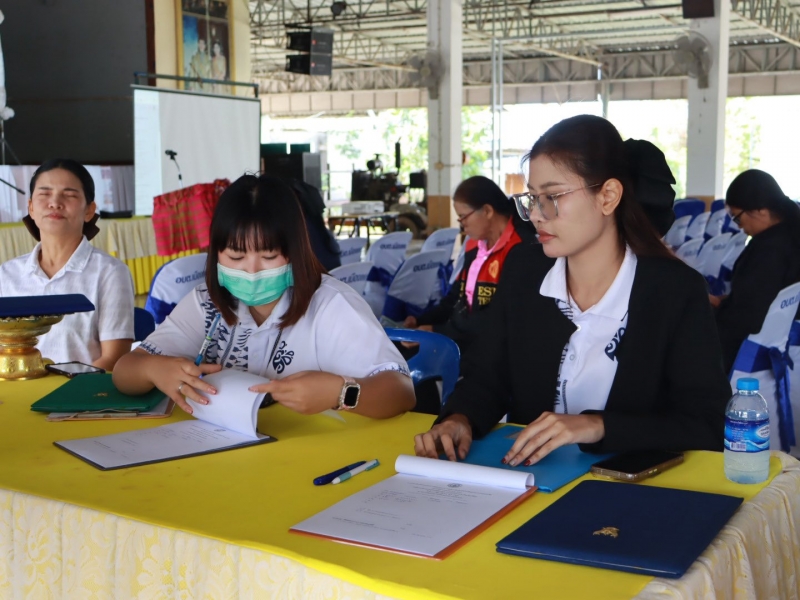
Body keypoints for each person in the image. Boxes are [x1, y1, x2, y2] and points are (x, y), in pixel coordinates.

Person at [414, 115, 729, 465]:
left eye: (552, 196)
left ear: (608, 196)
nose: (537, 215)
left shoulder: (674, 291)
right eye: (533, 198)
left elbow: (707, 423)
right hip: (532, 479)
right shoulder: (526, 271)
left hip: (633, 486)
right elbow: (487, 376)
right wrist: (460, 418)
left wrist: (597, 426)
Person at [113, 174, 415, 418]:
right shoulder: (206, 301)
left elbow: (401, 391)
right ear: (216, 253)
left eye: (269, 256)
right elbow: (124, 372)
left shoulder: (330, 304)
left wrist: (340, 392)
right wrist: (153, 369)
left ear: (294, 252)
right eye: (235, 256)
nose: (252, 270)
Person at [0, 159, 134, 370]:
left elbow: (113, 359)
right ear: (31, 208)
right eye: (45, 194)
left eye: (69, 195)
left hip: (80, 389)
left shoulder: (110, 273)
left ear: (89, 210)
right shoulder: (6, 274)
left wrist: (64, 388)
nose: (55, 203)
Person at [403, 175, 535, 354]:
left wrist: (438, 331)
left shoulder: (520, 249)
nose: (462, 225)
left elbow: (499, 317)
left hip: (500, 351)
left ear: (487, 211)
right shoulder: (474, 245)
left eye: (463, 217)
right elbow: (455, 297)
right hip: (468, 340)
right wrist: (421, 321)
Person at [711, 169, 800, 372]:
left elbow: (746, 319)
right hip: (778, 346)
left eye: (737, 218)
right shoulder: (791, 236)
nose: (739, 227)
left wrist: (712, 308)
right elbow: (765, 297)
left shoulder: (768, 250)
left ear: (761, 210)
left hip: (743, 353)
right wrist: (727, 301)